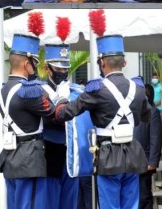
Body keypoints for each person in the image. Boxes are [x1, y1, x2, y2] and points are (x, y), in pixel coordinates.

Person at [55, 30, 151, 209]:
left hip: (108, 156)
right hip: (132, 154)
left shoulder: (96, 89)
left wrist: (61, 98)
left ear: (102, 62)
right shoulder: (138, 88)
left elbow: (63, 114)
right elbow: (146, 116)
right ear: (124, 62)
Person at [0, 33, 56, 209]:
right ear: (27, 64)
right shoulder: (29, 91)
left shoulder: (4, 90)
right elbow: (52, 111)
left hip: (11, 156)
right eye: (34, 64)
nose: (35, 68)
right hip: (29, 159)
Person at [40, 41, 79, 209]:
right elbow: (50, 118)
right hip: (50, 151)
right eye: (58, 69)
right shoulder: (39, 90)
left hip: (72, 154)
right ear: (47, 68)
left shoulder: (75, 91)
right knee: (50, 201)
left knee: (70, 202)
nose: (63, 73)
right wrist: (62, 100)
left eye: (65, 69)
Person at [134, 84, 162, 209]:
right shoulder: (128, 111)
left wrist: (152, 161)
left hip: (145, 161)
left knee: (144, 196)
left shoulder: (153, 112)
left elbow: (155, 138)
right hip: (128, 161)